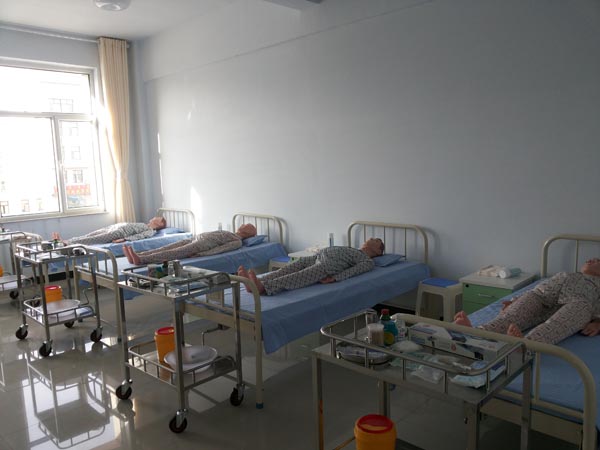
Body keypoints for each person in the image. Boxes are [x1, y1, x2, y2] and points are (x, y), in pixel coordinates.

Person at [454, 258, 600, 345]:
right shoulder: (565, 274)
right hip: (543, 296)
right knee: (512, 315)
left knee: (556, 325)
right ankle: (475, 332)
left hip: (578, 304)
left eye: (597, 261)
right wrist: (516, 301)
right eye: (591, 259)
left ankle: (524, 346)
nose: (591, 260)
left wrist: (598, 323)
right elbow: (540, 287)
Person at [237, 238, 385, 296]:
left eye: (376, 240)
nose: (372, 238)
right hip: (318, 257)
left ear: (378, 252)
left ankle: (264, 288)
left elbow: (354, 271)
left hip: (329, 266)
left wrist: (335, 278)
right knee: (289, 268)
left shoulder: (367, 261)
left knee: (299, 276)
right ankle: (259, 281)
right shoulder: (353, 249)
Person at [123, 223, 257, 265]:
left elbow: (221, 249)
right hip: (197, 238)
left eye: (246, 225)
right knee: (168, 247)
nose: (242, 225)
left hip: (203, 245)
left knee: (174, 253)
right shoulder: (231, 233)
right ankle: (140, 254)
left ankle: (141, 260)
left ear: (248, 232)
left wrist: (201, 254)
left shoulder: (237, 241)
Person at [54, 216, 167, 246]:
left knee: (93, 239)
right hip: (115, 227)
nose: (154, 217)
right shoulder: (145, 224)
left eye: (157, 218)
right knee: (90, 234)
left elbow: (140, 236)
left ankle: (66, 243)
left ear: (159, 224)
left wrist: (124, 239)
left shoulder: (150, 230)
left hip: (119, 233)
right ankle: (68, 240)